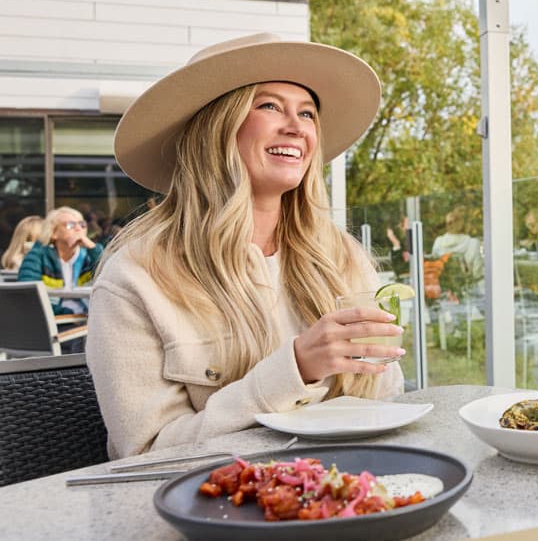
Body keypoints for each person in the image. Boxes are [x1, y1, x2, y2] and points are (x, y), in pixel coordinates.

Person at [88, 33, 404, 458]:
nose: (296, 126)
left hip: (348, 492)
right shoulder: (136, 278)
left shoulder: (342, 259)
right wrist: (294, 370)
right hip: (206, 512)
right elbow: (145, 452)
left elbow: (387, 404)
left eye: (307, 113)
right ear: (215, 128)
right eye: (270, 105)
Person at [17, 207, 102, 314]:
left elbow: (112, 277)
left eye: (82, 224)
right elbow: (28, 295)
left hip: (89, 319)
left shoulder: (90, 256)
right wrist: (66, 313)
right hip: (54, 320)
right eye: (70, 225)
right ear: (53, 233)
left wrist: (93, 248)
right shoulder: (37, 256)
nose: (78, 229)